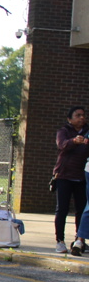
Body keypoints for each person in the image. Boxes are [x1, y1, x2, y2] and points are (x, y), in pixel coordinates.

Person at [51, 107, 89, 253]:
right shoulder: (64, 131)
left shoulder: (87, 131)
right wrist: (74, 141)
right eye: (77, 115)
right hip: (64, 175)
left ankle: (79, 240)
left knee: (81, 209)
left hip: (82, 176)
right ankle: (60, 240)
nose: (81, 118)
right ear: (69, 119)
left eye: (83, 115)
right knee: (62, 209)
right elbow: (62, 145)